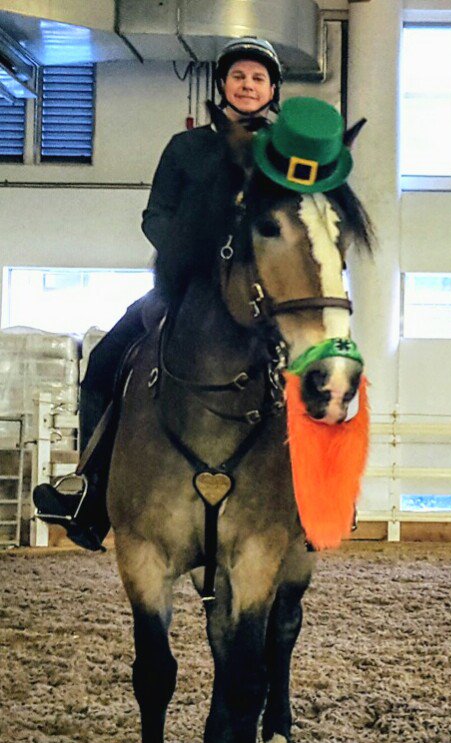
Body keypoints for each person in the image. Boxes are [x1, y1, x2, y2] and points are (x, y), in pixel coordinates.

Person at [33, 37, 283, 550]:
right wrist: (190, 256)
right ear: (223, 84)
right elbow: (156, 216)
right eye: (239, 76)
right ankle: (90, 491)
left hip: (263, 296)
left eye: (258, 78)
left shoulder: (285, 153)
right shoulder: (185, 148)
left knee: (319, 367)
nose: (248, 85)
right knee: (105, 362)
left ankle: (319, 499)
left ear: (272, 89)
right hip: (186, 289)